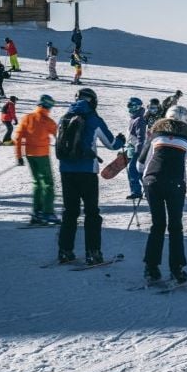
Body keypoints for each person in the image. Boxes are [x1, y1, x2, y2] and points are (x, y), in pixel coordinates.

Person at [138, 105, 187, 284]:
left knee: (157, 225)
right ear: (186, 121)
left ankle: (151, 269)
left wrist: (144, 179)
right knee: (175, 226)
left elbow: (140, 163)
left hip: (152, 183)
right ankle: (177, 270)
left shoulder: (155, 135)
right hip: (175, 184)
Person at [55, 88, 126, 265]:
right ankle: (92, 253)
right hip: (87, 171)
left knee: (70, 211)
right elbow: (111, 144)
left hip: (66, 170)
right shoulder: (94, 119)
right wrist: (121, 140)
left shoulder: (64, 118)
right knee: (92, 212)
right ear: (93, 101)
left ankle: (65, 251)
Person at [14, 94, 60, 225]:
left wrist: (19, 156)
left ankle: (37, 212)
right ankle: (48, 213)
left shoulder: (27, 118)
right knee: (48, 183)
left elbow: (17, 137)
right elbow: (59, 137)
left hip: (29, 155)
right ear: (48, 106)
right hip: (42, 155)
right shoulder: (47, 121)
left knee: (37, 183)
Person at [125, 97, 147, 200]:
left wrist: (138, 151)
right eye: (128, 106)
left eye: (131, 106)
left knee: (133, 169)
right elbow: (132, 136)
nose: (129, 109)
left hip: (137, 150)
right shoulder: (133, 119)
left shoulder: (139, 120)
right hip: (132, 148)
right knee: (138, 171)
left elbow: (141, 137)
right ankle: (147, 190)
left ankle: (137, 191)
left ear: (137, 107)